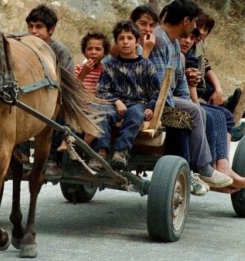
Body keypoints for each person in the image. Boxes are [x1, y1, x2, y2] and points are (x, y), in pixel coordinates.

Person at [149, 0, 233, 189]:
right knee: (195, 112)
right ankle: (203, 168)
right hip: (154, 101)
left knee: (199, 111)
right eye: (194, 22)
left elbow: (179, 83)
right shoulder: (159, 39)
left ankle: (198, 169)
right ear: (186, 21)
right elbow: (159, 86)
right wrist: (186, 107)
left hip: (168, 98)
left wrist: (188, 103)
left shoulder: (174, 44)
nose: (195, 27)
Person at [180, 31, 245, 193]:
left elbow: (202, 74)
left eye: (192, 38)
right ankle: (213, 167)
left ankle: (222, 164)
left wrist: (215, 90)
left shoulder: (190, 55)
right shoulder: (173, 53)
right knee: (216, 116)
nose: (188, 41)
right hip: (182, 101)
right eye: (185, 37)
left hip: (190, 99)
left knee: (222, 115)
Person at [88, 21, 159, 171]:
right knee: (101, 111)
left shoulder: (146, 65)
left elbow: (155, 92)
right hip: (113, 104)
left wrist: (151, 108)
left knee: (135, 115)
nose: (125, 42)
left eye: (129, 38)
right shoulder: (110, 65)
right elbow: (102, 90)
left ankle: (121, 152)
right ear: (116, 42)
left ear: (137, 41)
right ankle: (100, 152)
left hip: (137, 103)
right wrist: (116, 101)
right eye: (121, 38)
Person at [25, 4, 74, 179]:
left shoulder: (60, 51)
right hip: (30, 99)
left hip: (55, 98)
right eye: (30, 26)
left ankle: (54, 160)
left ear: (51, 29)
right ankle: (21, 156)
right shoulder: (23, 46)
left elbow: (67, 83)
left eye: (39, 27)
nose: (33, 31)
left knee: (57, 110)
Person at [189, 11, 245, 119]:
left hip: (194, 87)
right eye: (199, 27)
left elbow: (206, 67)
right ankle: (226, 107)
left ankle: (225, 105)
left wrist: (218, 89)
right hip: (186, 89)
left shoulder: (196, 46)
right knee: (197, 71)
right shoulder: (186, 42)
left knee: (201, 65)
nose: (201, 32)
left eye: (206, 29)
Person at [56, 32, 111, 152]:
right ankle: (68, 140)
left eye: (98, 49)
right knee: (71, 109)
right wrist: (83, 74)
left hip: (96, 104)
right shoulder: (78, 69)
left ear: (105, 53)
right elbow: (72, 89)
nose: (93, 52)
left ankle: (87, 135)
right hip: (80, 102)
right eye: (89, 49)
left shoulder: (107, 71)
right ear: (84, 52)